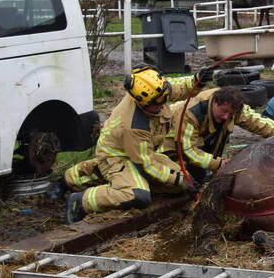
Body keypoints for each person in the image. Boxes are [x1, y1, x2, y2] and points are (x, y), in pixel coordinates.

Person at [59, 64, 210, 223]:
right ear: (141, 103)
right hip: (117, 156)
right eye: (157, 105)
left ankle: (96, 175)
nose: (162, 106)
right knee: (137, 195)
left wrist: (197, 80)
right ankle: (81, 200)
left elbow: (179, 88)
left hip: (141, 153)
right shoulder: (135, 125)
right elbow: (146, 165)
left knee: (181, 183)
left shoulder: (157, 90)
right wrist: (177, 179)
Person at [163, 85, 274, 183]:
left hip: (196, 144)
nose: (226, 117)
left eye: (231, 114)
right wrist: (219, 164)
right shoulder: (190, 114)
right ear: (215, 102)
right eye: (224, 111)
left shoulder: (231, 105)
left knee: (201, 174)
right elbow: (187, 151)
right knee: (188, 181)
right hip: (169, 151)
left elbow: (258, 122)